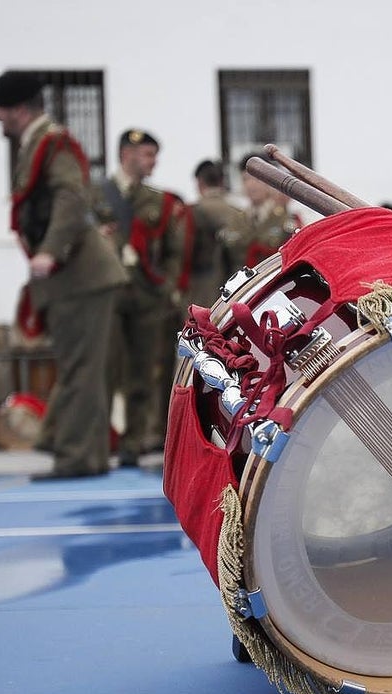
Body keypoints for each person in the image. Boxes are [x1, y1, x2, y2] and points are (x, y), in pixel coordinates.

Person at [0, 70, 127, 481]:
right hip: (74, 277)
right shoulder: (33, 144)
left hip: (80, 273)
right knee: (80, 367)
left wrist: (49, 250)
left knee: (80, 368)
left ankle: (77, 457)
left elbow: (70, 196)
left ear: (18, 108)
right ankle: (86, 453)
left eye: (0, 109)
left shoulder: (53, 143)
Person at [91, 129, 190, 467]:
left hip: (147, 296)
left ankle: (132, 443)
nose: (153, 162)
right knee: (104, 368)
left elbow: (174, 252)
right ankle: (99, 442)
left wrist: (167, 287)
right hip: (107, 293)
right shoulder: (96, 196)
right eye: (147, 155)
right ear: (127, 155)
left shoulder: (158, 201)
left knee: (142, 370)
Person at [222, 152, 301, 269]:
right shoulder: (236, 219)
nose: (251, 185)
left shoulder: (286, 219)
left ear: (269, 181)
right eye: (245, 179)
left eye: (256, 179)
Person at [189, 158, 241, 304]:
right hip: (236, 287)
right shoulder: (238, 213)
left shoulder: (193, 212)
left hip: (200, 287)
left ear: (199, 183)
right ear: (221, 182)